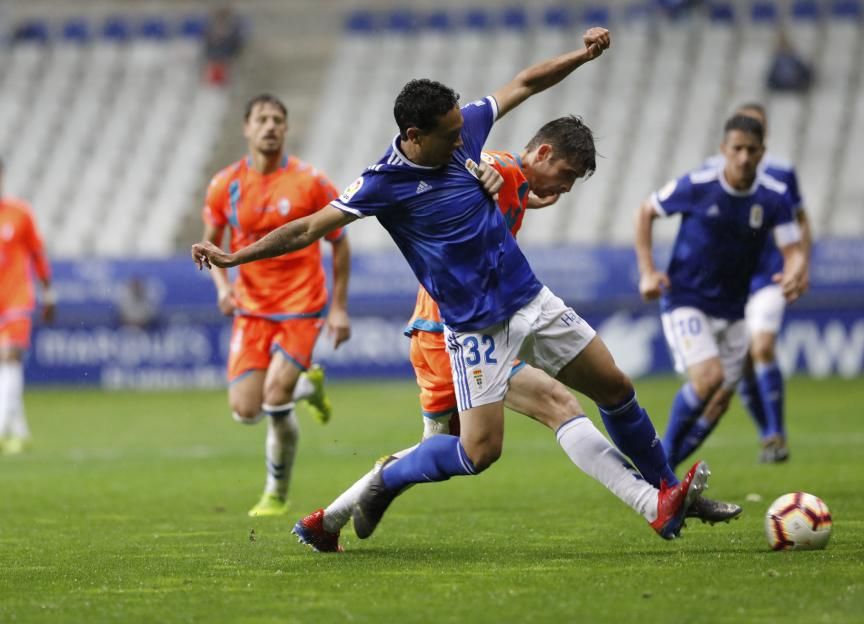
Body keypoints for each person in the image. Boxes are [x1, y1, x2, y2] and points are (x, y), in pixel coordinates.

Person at [193, 28, 728, 543]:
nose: (462, 141)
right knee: (476, 452)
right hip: (473, 329)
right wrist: (236, 256)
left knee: (615, 387)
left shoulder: (464, 133)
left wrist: (580, 57)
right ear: (413, 137)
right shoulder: (382, 184)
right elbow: (309, 228)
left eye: (460, 130)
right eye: (449, 136)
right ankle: (383, 482)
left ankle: (665, 494)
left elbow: (523, 83)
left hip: (529, 299)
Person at [290, 117, 742, 552]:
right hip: (452, 332)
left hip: (459, 326)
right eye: (565, 175)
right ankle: (659, 499)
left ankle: (330, 519)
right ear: (542, 152)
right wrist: (484, 170)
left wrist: (524, 193)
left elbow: (497, 195)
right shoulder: (498, 169)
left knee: (464, 441)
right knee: (506, 431)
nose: (565, 189)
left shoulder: (515, 184)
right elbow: (474, 164)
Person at [200, 94, 352, 517]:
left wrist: (338, 307)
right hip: (251, 308)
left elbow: (339, 243)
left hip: (302, 306)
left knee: (275, 397)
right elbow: (210, 245)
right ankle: (309, 386)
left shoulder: (311, 182)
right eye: (262, 119)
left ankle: (275, 493)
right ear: (246, 128)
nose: (270, 126)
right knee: (246, 411)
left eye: (278, 120)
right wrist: (222, 287)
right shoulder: (224, 184)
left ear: (286, 129)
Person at [634, 114, 808, 471]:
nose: (744, 157)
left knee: (718, 401)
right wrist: (648, 272)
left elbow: (793, 249)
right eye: (737, 149)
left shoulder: (774, 197)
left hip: (733, 309)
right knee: (708, 379)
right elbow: (646, 211)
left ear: (763, 153)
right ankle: (661, 468)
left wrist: (795, 273)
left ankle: (660, 481)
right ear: (723, 150)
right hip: (686, 299)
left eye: (752, 150)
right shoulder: (698, 185)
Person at [703, 103, 812, 463]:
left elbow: (799, 220)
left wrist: (800, 264)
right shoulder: (710, 173)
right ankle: (768, 436)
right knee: (742, 361)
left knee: (761, 347)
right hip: (729, 282)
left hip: (769, 274)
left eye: (757, 133)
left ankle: (776, 433)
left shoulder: (782, 172)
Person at [0, 157, 55, 455]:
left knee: (9, 356)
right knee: (4, 367)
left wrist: (48, 294)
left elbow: (37, 253)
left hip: (17, 298)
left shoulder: (19, 214)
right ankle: (18, 431)